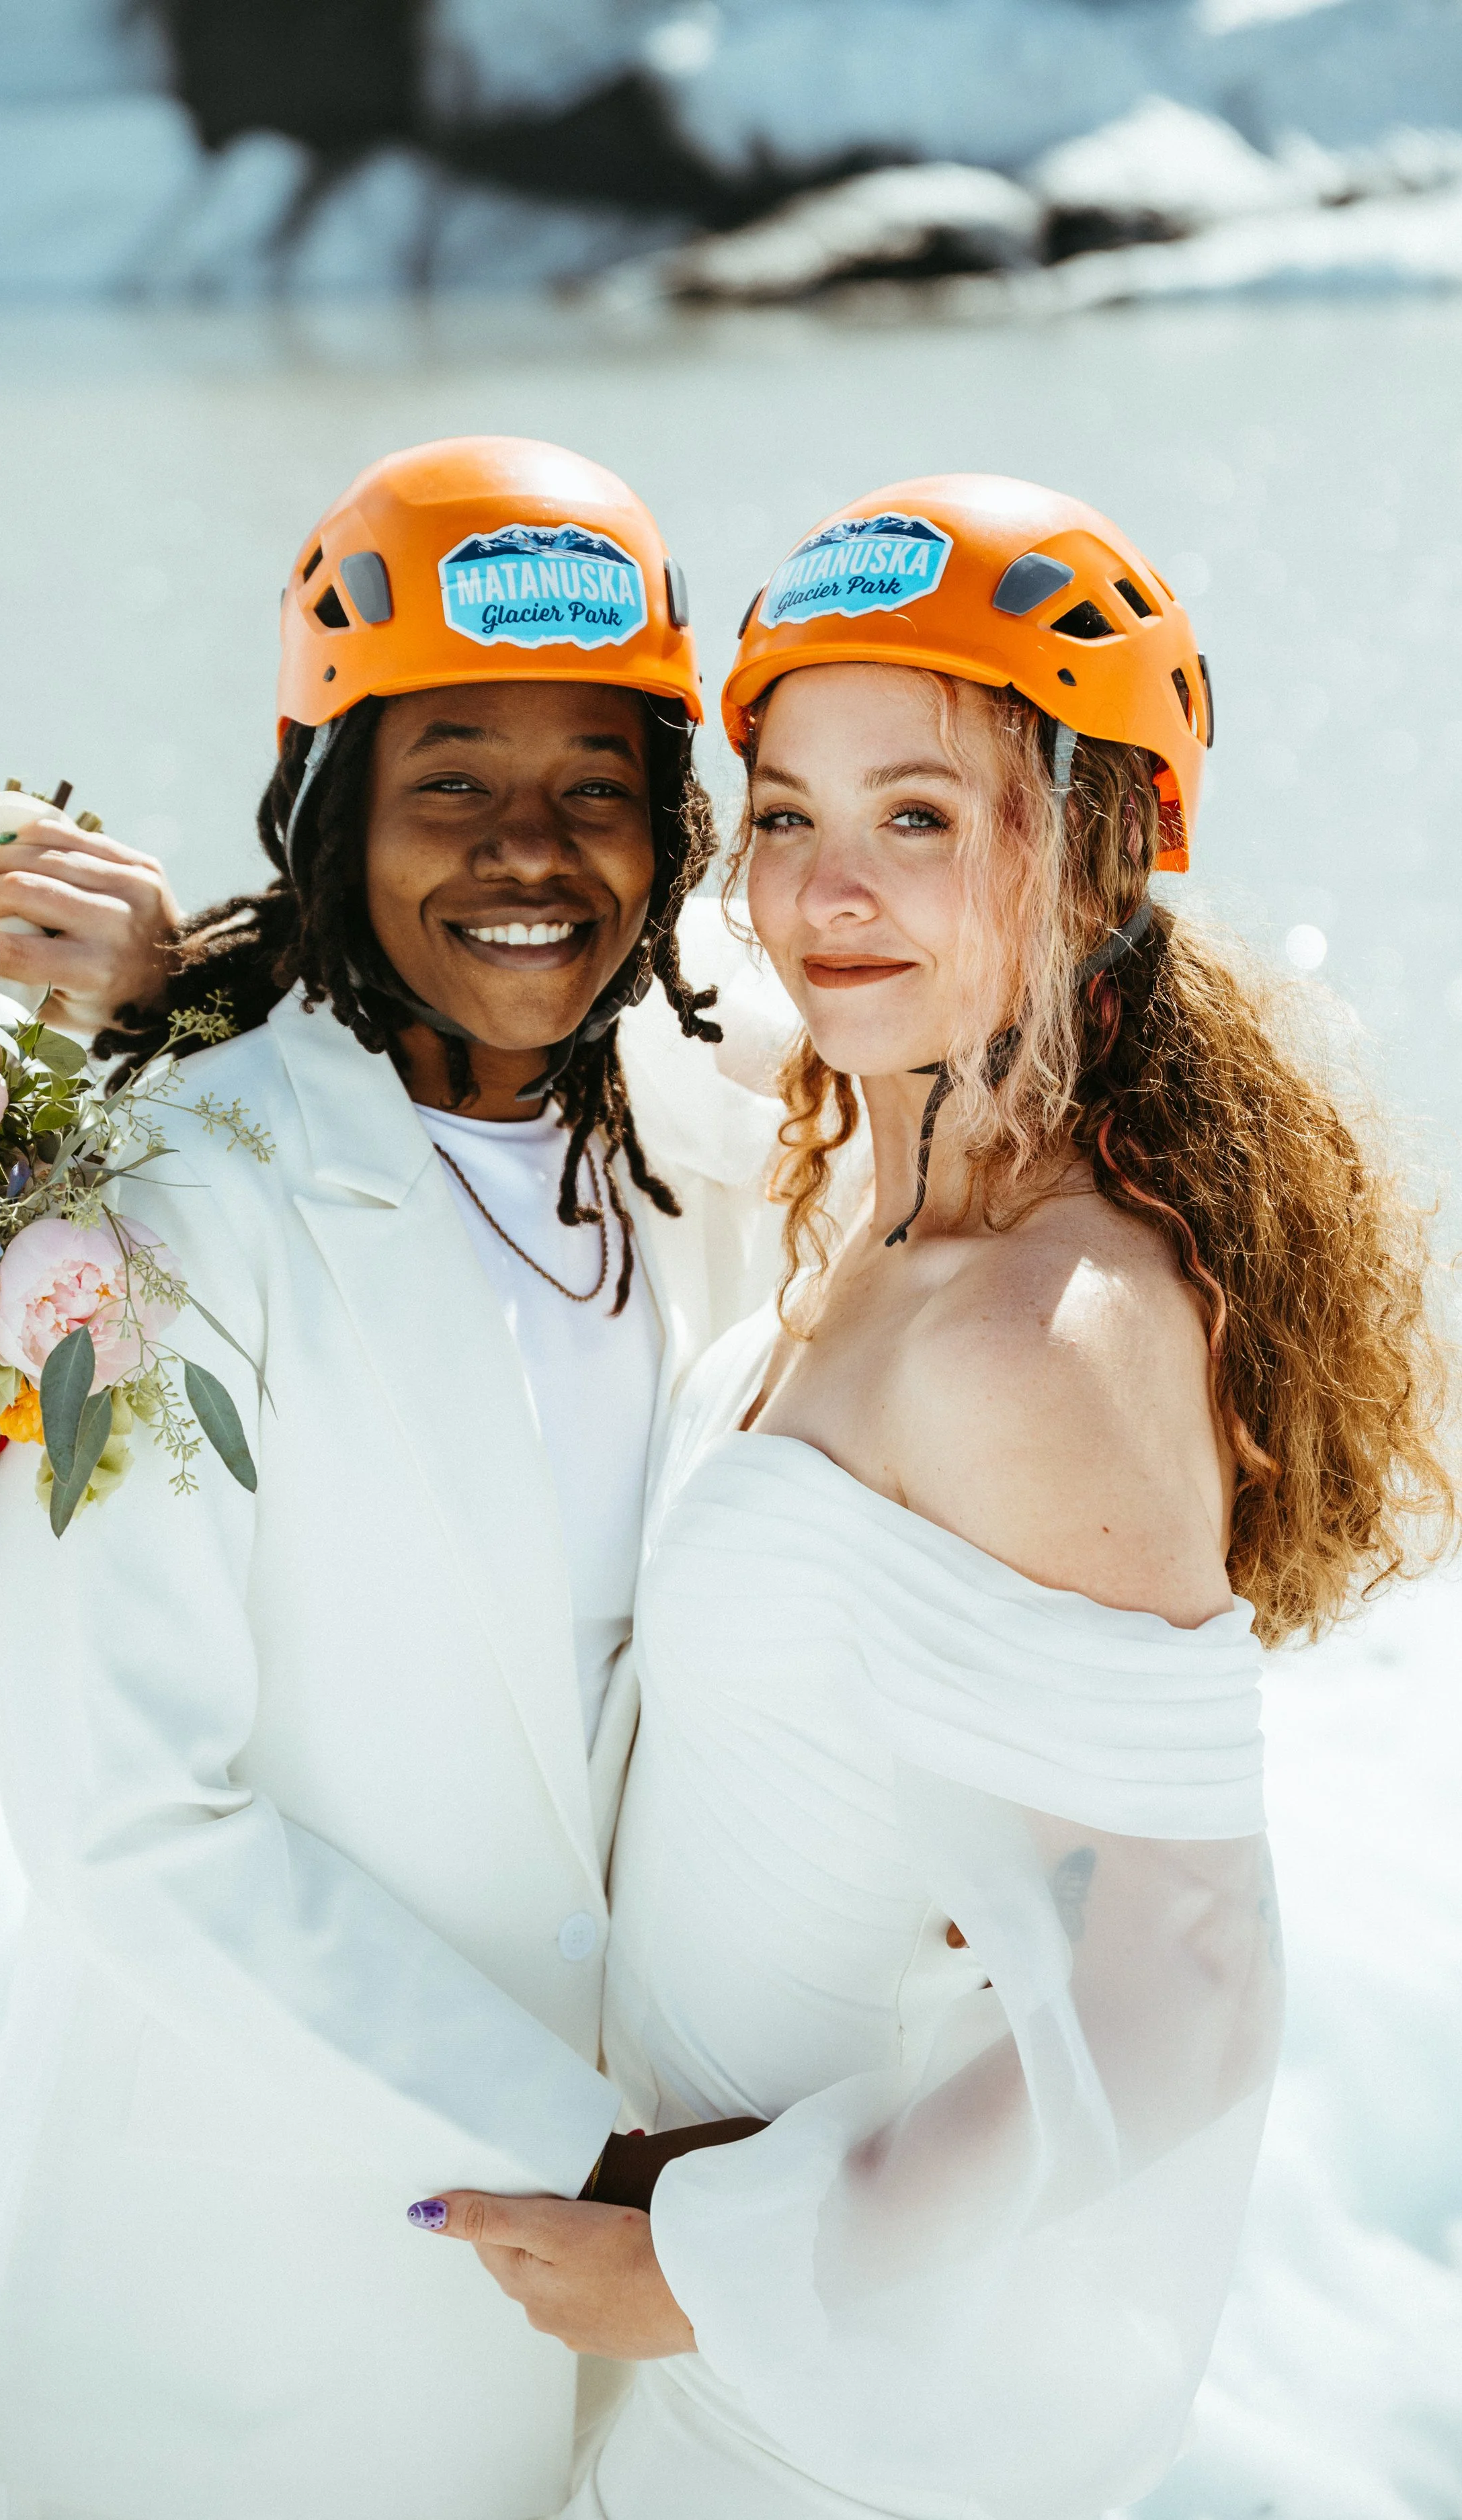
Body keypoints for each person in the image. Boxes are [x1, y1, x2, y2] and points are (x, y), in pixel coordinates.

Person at [409, 477, 1457, 2518]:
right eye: (785, 812)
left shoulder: (1032, 1337)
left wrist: (704, 2275)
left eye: (917, 813)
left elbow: (1180, 1993)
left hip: (805, 2392)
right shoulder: (877, 1193)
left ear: (1095, 847)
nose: (823, 891)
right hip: (723, 2301)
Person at [0, 436, 780, 2520]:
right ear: (331, 816)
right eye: (450, 786)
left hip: (617, 2357)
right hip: (227, 2338)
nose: (531, 849)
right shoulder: (159, 1198)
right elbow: (126, 1820)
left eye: (597, 784)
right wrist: (589, 2162)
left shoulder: (717, 1144)